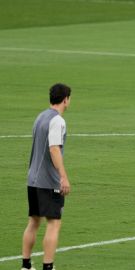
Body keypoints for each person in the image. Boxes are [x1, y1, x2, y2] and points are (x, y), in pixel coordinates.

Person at [21, 83, 72, 270]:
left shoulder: (40, 116)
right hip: (49, 181)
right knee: (54, 224)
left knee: (33, 222)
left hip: (32, 179)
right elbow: (54, 148)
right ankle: (48, 267)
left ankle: (26, 266)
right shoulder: (57, 121)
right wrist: (63, 177)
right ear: (66, 99)